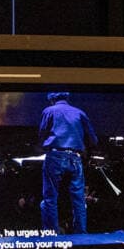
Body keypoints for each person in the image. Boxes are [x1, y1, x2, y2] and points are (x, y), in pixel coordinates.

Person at [37, 91, 96, 234]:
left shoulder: (49, 111)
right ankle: (81, 233)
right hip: (76, 158)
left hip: (55, 156)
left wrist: (44, 145)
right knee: (78, 199)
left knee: (50, 197)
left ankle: (52, 233)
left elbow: (42, 134)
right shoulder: (79, 112)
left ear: (51, 100)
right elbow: (93, 139)